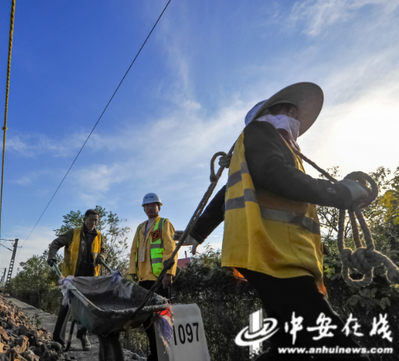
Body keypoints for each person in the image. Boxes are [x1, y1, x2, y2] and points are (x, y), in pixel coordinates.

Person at [187, 82, 373, 360]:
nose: (296, 118)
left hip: (274, 255)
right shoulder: (261, 132)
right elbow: (274, 174)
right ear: (276, 112)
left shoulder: (272, 149)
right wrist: (340, 192)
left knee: (290, 346)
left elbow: (228, 194)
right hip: (274, 254)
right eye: (291, 111)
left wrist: (197, 234)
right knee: (333, 340)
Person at [47, 208, 107, 351]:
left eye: (96, 220)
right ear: (84, 220)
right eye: (91, 220)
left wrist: (102, 257)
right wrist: (52, 256)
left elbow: (104, 250)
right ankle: (58, 340)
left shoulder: (98, 235)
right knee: (66, 306)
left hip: (90, 279)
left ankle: (82, 336)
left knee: (86, 309)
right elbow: (55, 243)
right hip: (72, 278)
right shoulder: (72, 233)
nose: (94, 223)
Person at [129, 193, 178, 361]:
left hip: (160, 279)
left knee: (163, 317)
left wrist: (168, 273)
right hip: (144, 279)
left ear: (159, 206)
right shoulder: (140, 227)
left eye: (152, 205)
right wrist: (132, 271)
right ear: (143, 208)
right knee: (147, 318)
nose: (149, 208)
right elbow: (134, 250)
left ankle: (167, 354)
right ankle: (155, 354)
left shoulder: (165, 224)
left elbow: (170, 250)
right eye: (146, 205)